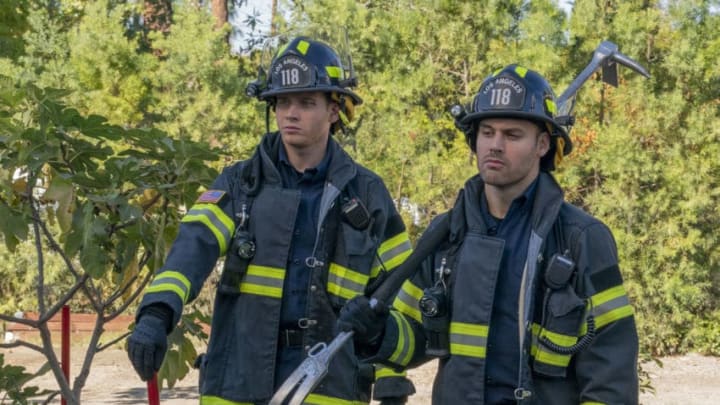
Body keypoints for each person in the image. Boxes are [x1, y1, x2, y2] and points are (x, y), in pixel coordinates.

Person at [126, 36, 415, 404]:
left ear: (334, 110)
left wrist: (392, 375)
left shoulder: (369, 196)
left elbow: (399, 295)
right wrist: (156, 314)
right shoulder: (239, 185)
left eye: (306, 102)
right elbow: (191, 250)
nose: (290, 113)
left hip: (330, 391)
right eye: (282, 102)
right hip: (237, 387)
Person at [338, 64, 639, 404]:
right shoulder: (445, 235)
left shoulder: (581, 239)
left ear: (542, 144)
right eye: (487, 132)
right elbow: (414, 336)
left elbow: (611, 376)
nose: (495, 145)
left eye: (512, 135)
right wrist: (379, 333)